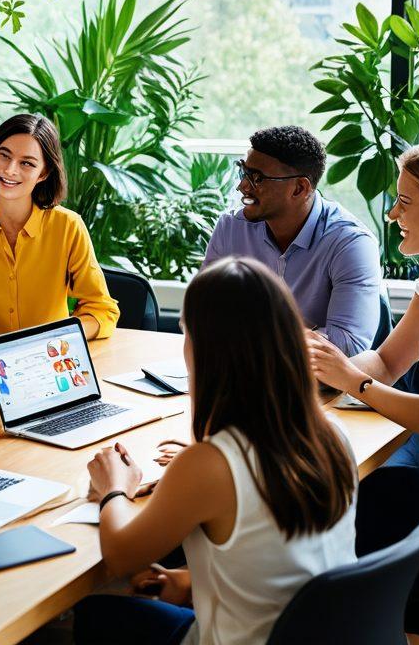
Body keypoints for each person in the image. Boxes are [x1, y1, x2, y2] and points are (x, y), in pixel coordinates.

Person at [75, 257, 357, 645]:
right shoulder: (331, 435)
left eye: (186, 332)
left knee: (96, 614)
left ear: (207, 352)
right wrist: (195, 582)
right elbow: (292, 559)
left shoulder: (210, 464)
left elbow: (121, 556)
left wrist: (114, 488)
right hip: (316, 633)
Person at [309, 141, 419, 643]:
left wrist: (354, 382)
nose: (391, 214)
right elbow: (388, 360)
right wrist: (326, 376)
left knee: (350, 554)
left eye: (404, 202)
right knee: (358, 504)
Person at [0, 113, 119, 367]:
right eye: (4, 155)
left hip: (50, 363)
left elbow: (101, 309)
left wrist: (55, 341)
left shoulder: (68, 227)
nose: (9, 170)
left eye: (27, 163)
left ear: (44, 173)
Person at [204, 124, 380, 357]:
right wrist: (306, 334)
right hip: (241, 377)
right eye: (244, 172)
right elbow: (201, 316)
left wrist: (251, 334)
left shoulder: (350, 243)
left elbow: (347, 344)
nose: (243, 186)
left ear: (299, 188)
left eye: (257, 178)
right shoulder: (231, 228)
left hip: (319, 388)